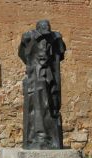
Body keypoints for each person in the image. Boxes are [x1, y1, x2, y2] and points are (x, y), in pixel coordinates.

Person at [18, 20, 66, 149]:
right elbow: (23, 54)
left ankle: (48, 137)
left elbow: (59, 55)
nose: (44, 49)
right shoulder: (29, 38)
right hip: (36, 77)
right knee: (39, 106)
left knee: (51, 104)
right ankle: (40, 136)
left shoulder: (54, 38)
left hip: (48, 77)